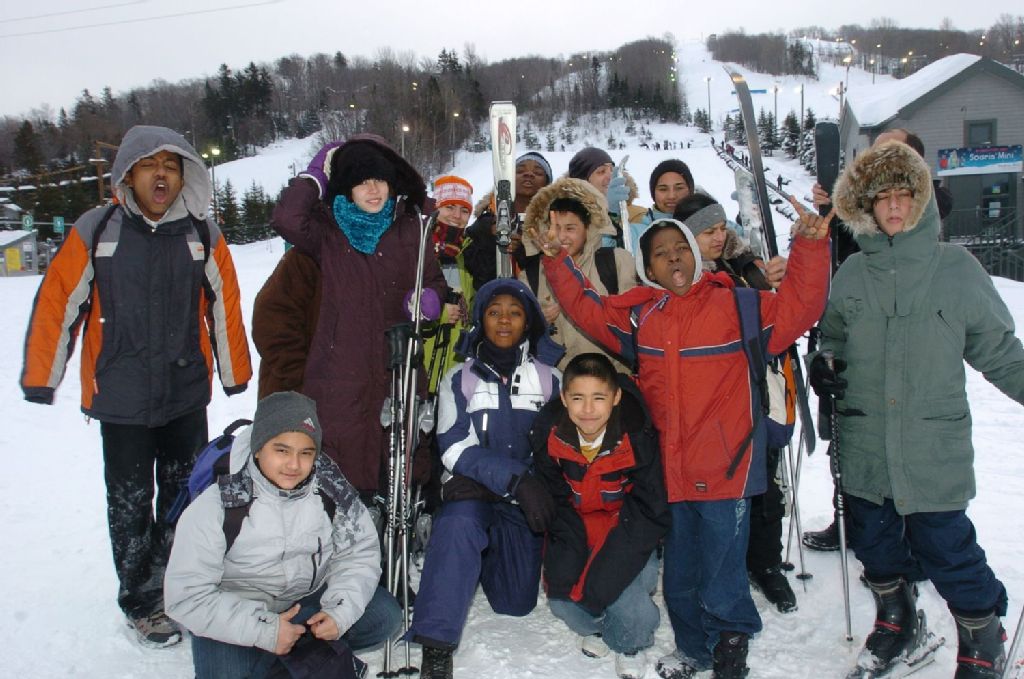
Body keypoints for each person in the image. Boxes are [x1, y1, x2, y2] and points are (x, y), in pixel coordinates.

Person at [528, 196, 832, 679]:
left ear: (694, 252)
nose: (672, 257)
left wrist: (811, 249)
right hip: (670, 472)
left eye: (680, 248)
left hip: (726, 467)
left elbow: (800, 307)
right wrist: (556, 261)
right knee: (682, 574)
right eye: (659, 253)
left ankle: (730, 642)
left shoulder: (739, 305)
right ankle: (693, 649)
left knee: (722, 569)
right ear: (647, 268)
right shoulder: (641, 317)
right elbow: (585, 308)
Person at [20, 124, 252, 647]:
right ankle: (142, 600)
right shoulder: (97, 230)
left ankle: (180, 588)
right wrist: (41, 375)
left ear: (184, 176)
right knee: (129, 504)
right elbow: (59, 302)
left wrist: (234, 372)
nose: (161, 175)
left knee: (186, 497)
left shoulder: (202, 235)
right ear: (128, 175)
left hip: (184, 392)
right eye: (149, 166)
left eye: (171, 166)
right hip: (119, 396)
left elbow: (225, 306)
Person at [810, 139, 1024, 678]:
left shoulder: (956, 269)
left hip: (931, 445)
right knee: (873, 542)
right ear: (866, 205)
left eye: (904, 193)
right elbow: (831, 338)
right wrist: (822, 362)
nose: (894, 205)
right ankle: (897, 619)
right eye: (882, 196)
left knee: (946, 548)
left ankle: (982, 634)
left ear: (922, 198)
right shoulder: (852, 273)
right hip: (865, 441)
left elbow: (999, 350)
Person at [165, 391, 398, 679]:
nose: (294, 465)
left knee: (384, 616)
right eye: (282, 451)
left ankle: (291, 657)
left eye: (306, 453)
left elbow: (358, 554)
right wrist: (264, 629)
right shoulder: (217, 504)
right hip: (238, 607)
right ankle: (300, 658)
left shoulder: (333, 490)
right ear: (258, 448)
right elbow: (186, 595)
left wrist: (338, 612)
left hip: (306, 601)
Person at [269, 134, 446, 498]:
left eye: (379, 179)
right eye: (361, 181)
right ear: (346, 188)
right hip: (339, 375)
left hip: (397, 370)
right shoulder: (328, 232)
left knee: (398, 467)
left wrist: (429, 300)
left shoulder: (412, 228)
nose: (373, 189)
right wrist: (315, 176)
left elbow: (434, 282)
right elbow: (286, 219)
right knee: (339, 470)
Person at [803, 126, 955, 552]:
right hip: (857, 327)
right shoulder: (864, 206)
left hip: (908, 342)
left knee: (907, 446)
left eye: (892, 150)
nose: (879, 159)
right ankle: (852, 520)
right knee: (849, 437)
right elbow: (842, 251)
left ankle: (910, 535)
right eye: (876, 151)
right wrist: (832, 212)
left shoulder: (927, 204)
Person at [405, 278, 564, 679]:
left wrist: (519, 486)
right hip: (474, 494)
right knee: (459, 523)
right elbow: (454, 446)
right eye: (494, 312)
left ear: (528, 322)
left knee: (515, 603)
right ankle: (436, 642)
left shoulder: (550, 380)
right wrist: (512, 480)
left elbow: (557, 450)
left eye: (515, 312)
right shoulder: (459, 379)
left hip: (521, 501)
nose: (504, 320)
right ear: (481, 320)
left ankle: (479, 559)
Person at [674, 193, 796, 614]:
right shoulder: (673, 277)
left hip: (752, 393)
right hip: (707, 403)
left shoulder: (744, 267)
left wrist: (779, 282)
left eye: (721, 228)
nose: (718, 237)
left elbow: (779, 318)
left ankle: (766, 563)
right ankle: (720, 568)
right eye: (707, 230)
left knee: (763, 484)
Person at [529, 353, 670, 679]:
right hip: (579, 525)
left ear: (616, 397)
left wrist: (603, 580)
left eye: (599, 398)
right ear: (564, 398)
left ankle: (630, 644)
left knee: (625, 603)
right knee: (563, 602)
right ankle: (601, 627)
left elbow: (651, 507)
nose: (588, 409)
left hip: (627, 528)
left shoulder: (635, 434)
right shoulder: (550, 436)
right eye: (578, 398)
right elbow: (555, 499)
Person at [518, 177, 638, 372]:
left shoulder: (616, 262)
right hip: (557, 379)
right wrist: (536, 323)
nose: (562, 237)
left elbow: (636, 321)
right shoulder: (530, 277)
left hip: (615, 375)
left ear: (588, 229)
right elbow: (517, 333)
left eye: (570, 228)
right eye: (555, 228)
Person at [463, 152, 553, 289]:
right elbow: (470, 271)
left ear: (547, 184)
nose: (528, 174)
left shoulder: (554, 223)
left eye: (538, 173)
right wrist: (489, 236)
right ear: (509, 178)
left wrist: (523, 251)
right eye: (520, 171)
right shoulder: (485, 222)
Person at [424, 175, 475, 392]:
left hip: (454, 367)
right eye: (449, 207)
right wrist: (437, 313)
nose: (457, 216)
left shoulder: (465, 254)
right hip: (421, 366)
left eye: (464, 210)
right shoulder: (420, 248)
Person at [567, 147, 646, 248]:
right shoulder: (566, 219)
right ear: (582, 181)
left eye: (611, 170)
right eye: (601, 171)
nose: (610, 176)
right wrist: (609, 216)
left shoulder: (637, 215)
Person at [626, 159, 695, 255]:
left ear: (690, 190)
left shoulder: (707, 227)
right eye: (663, 189)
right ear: (653, 193)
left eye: (679, 188)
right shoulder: (636, 233)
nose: (671, 196)